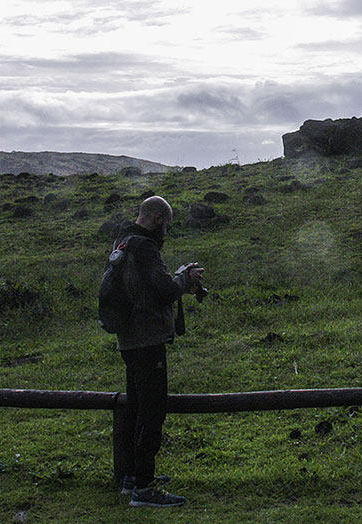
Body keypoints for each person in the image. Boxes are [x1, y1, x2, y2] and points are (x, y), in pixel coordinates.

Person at [113, 195, 204, 508]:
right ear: (156, 220)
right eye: (166, 224)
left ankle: (131, 476)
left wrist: (174, 279)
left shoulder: (122, 241)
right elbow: (164, 290)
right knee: (152, 411)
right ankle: (145, 488)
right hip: (146, 340)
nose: (166, 230)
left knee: (135, 407)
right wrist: (183, 279)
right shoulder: (146, 247)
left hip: (128, 338)